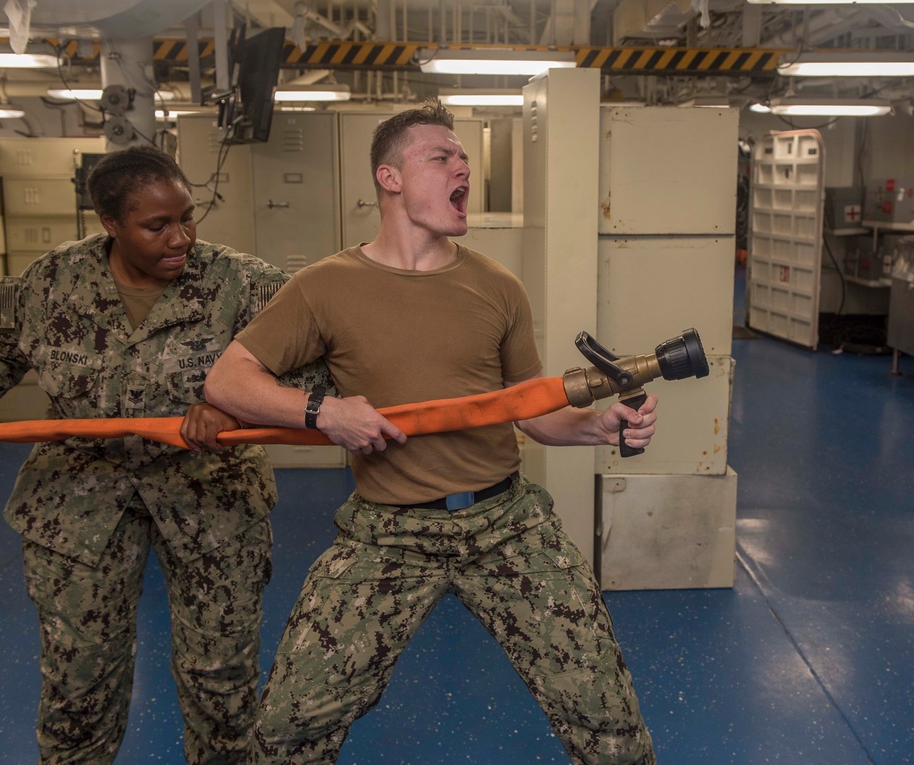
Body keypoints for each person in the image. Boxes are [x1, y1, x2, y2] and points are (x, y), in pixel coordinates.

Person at [204, 99, 658, 765]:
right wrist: (324, 412)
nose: (463, 169)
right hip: (388, 530)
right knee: (287, 728)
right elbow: (228, 378)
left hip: (505, 522)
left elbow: (529, 408)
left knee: (609, 718)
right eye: (442, 157)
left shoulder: (497, 287)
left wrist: (597, 426)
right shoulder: (324, 286)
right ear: (390, 178)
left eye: (465, 159)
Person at [0, 144, 327, 765]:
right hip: (78, 503)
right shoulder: (50, 283)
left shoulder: (240, 282)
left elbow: (320, 366)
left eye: (188, 217)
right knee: (77, 678)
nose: (181, 236)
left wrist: (241, 406)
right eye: (157, 225)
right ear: (109, 223)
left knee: (221, 677)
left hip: (209, 496)